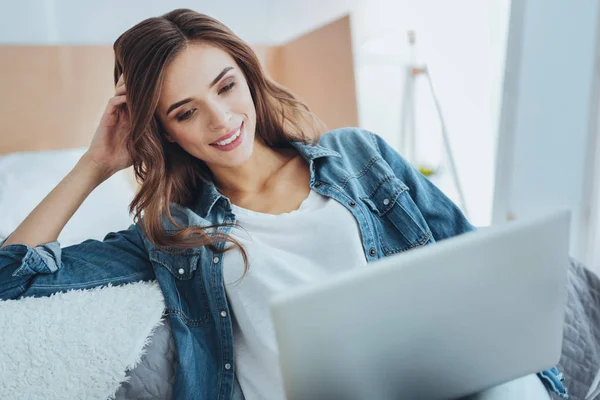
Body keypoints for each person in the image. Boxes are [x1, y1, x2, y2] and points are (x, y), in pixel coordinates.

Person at [0, 8, 567, 400]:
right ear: (165, 132)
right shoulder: (171, 234)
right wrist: (95, 164)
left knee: (515, 386)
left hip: (434, 384)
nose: (221, 121)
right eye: (186, 111)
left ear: (247, 77)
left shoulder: (357, 157)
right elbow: (9, 277)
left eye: (225, 87)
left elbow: (479, 266)